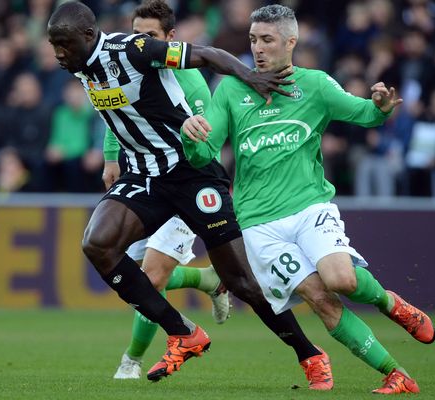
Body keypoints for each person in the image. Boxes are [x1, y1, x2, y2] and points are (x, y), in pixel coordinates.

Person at [47, 1, 332, 386]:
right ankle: (183, 332)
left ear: (87, 35)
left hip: (191, 172)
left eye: (63, 44)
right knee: (97, 245)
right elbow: (121, 119)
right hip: (146, 176)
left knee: (243, 281)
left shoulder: (133, 49)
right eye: (54, 45)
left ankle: (309, 354)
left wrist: (252, 77)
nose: (58, 54)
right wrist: (113, 157)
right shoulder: (83, 67)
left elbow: (208, 54)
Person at [182, 4, 435, 395]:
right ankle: (394, 373)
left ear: (291, 42)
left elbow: (363, 113)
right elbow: (205, 152)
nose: (258, 49)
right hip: (258, 225)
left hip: (309, 207)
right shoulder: (232, 88)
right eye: (253, 40)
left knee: (341, 280)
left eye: (267, 40)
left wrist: (381, 109)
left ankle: (390, 303)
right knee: (320, 299)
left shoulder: (315, 85)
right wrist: (192, 137)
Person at [102, 0, 230, 380]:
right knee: (137, 275)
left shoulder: (190, 80)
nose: (142, 44)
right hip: (143, 180)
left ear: (171, 39)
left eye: (151, 37)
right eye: (137, 35)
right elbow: (117, 111)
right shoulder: (127, 67)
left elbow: (207, 142)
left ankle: (131, 361)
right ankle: (205, 278)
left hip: (185, 185)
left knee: (152, 278)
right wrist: (112, 158)